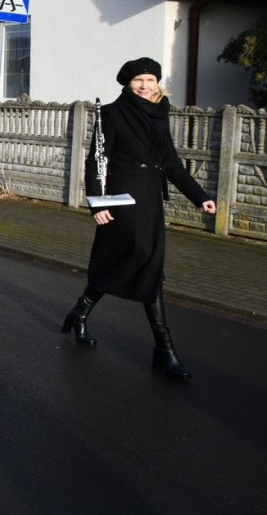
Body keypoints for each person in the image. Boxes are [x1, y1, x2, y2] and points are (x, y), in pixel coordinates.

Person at [61, 58, 216, 381]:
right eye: (138, 80)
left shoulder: (160, 114)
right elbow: (96, 161)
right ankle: (165, 349)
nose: (145, 85)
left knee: (120, 263)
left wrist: (200, 197)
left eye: (150, 79)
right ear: (127, 83)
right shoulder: (113, 114)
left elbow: (171, 164)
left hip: (149, 202)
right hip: (121, 200)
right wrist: (96, 203)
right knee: (146, 265)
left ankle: (81, 311)